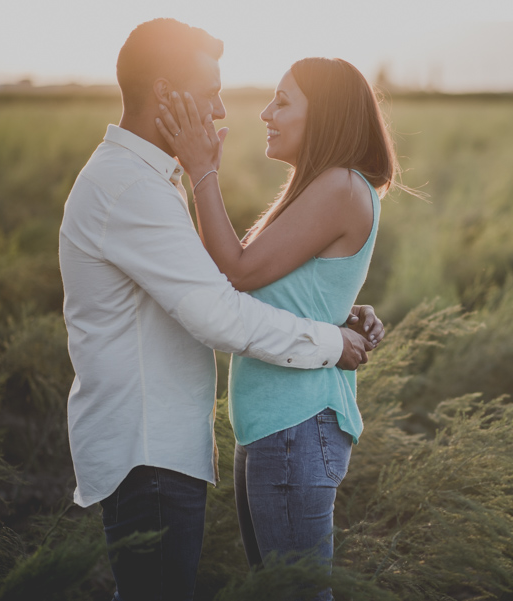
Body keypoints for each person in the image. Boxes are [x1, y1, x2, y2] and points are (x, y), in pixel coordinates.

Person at [59, 20, 382, 601]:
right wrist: (329, 336)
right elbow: (219, 305)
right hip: (152, 446)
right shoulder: (134, 187)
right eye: (210, 89)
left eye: (282, 102)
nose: (223, 109)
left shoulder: (150, 181)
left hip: (211, 438)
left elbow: (224, 284)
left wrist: (330, 310)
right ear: (166, 94)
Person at [155, 56, 401, 599]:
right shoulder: (322, 187)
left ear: (328, 116)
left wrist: (202, 172)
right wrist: (342, 314)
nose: (266, 113)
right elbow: (292, 288)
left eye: (283, 101)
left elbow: (238, 271)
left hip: (296, 426)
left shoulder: (339, 185)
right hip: (276, 427)